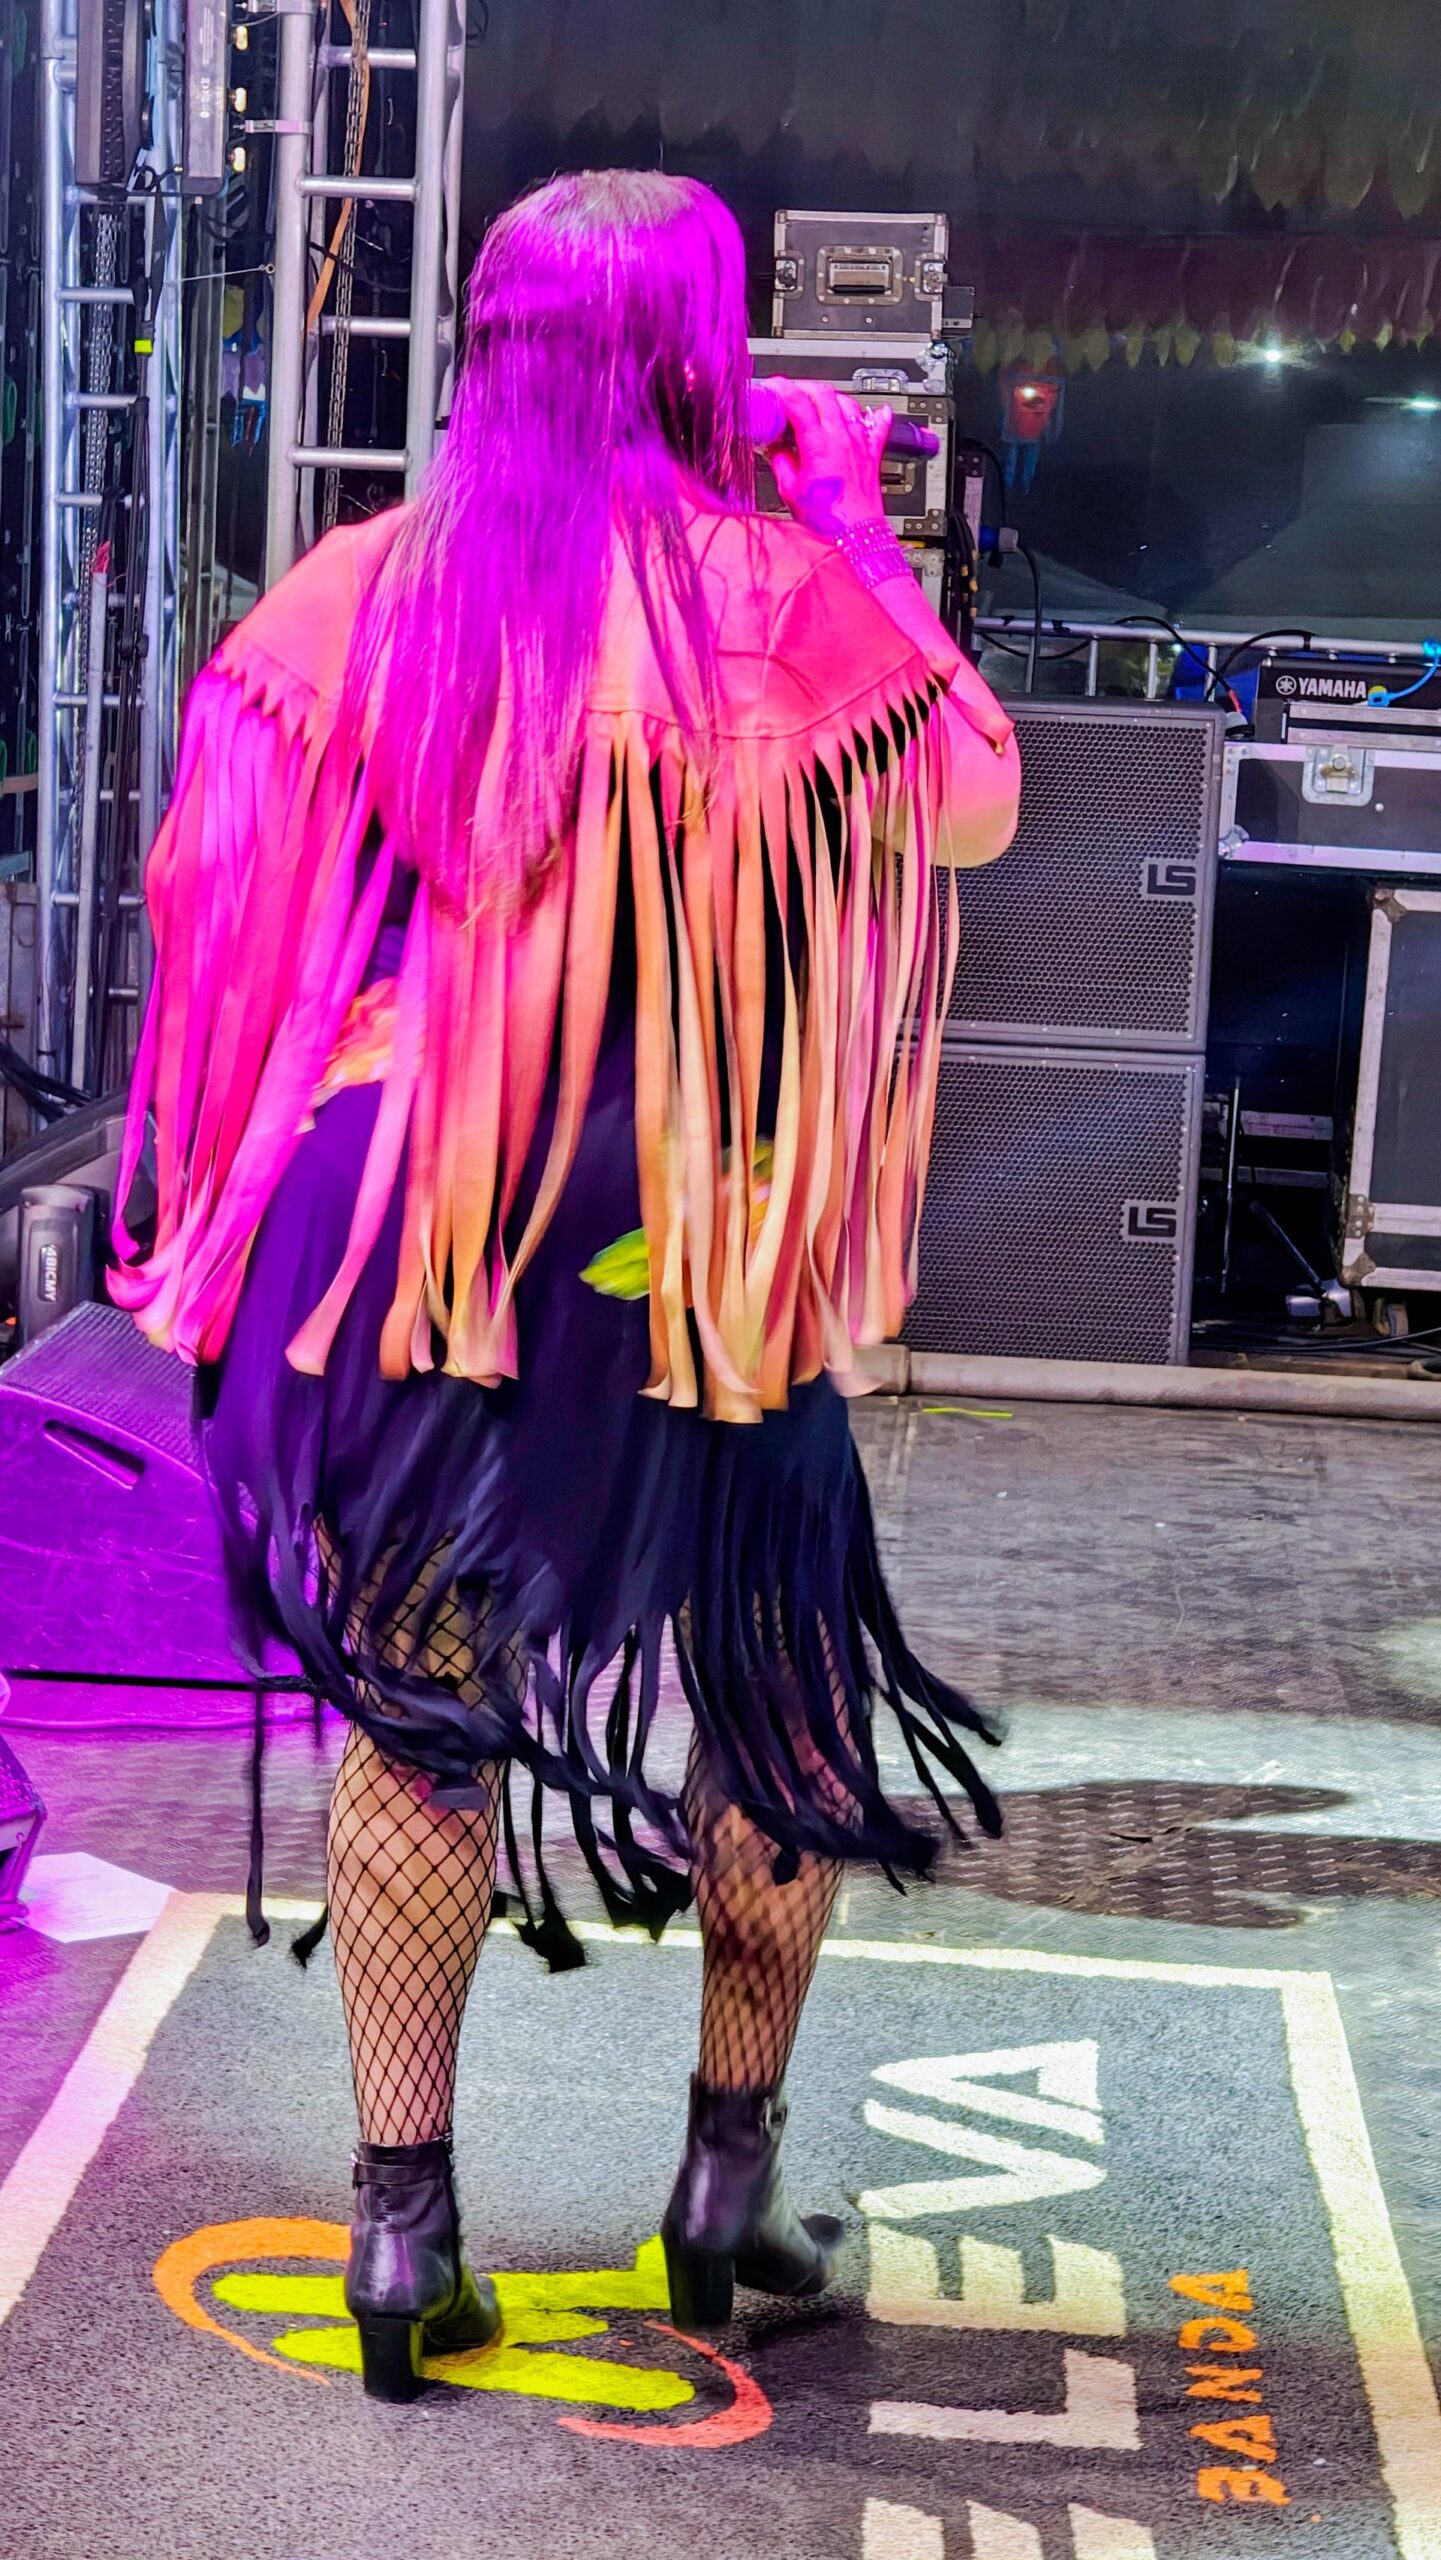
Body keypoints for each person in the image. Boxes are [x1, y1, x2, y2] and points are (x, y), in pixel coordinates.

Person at [112, 169, 1020, 2402]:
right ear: (704, 355)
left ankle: (401, 2224)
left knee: (415, 1704)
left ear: (488, 349)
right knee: (770, 1691)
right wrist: (851, 522)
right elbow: (975, 807)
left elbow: (212, 866)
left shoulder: (365, 584)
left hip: (402, 1209)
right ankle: (722, 2195)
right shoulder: (781, 599)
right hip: (673, 1232)